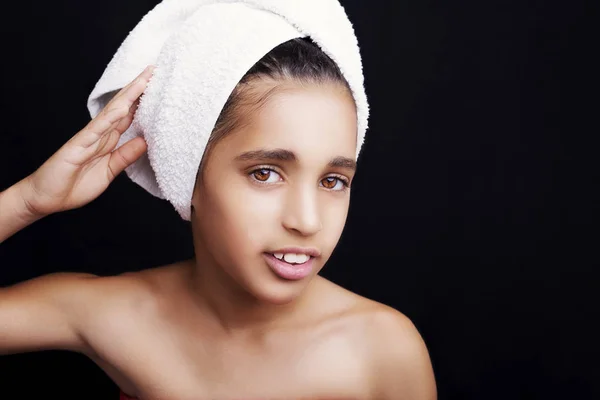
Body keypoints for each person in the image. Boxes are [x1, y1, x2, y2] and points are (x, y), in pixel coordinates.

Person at [0, 38, 437, 399]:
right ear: (186, 175)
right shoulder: (114, 314)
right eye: (265, 173)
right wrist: (28, 200)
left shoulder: (382, 350)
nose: (307, 222)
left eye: (333, 181)